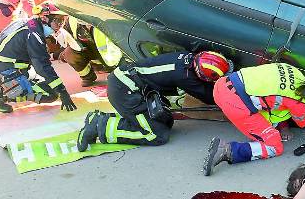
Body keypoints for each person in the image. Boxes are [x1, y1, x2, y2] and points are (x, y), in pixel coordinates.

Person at [77, 50, 231, 150]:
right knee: (156, 135)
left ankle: (98, 119)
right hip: (125, 91)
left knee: (166, 121)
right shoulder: (185, 76)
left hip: (126, 82)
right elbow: (212, 97)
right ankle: (98, 127)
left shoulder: (187, 57)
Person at [203, 62, 305, 176]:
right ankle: (226, 150)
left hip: (223, 84)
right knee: (275, 145)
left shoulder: (296, 73)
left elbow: (275, 97)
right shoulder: (299, 104)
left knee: (271, 114)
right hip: (234, 103)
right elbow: (304, 123)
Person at [0, 4, 77, 114]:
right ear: (44, 18)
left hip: (4, 66)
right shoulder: (34, 35)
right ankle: (2, 94)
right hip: (6, 69)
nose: (60, 25)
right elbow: (42, 67)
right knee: (50, 94)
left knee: (45, 82)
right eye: (58, 20)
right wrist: (63, 92)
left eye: (63, 21)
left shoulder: (28, 23)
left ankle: (6, 84)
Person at [49, 9, 111, 86]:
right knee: (69, 54)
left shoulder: (102, 17)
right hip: (92, 52)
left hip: (109, 54)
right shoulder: (71, 22)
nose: (58, 22)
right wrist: (56, 55)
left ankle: (113, 71)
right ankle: (88, 77)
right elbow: (71, 43)